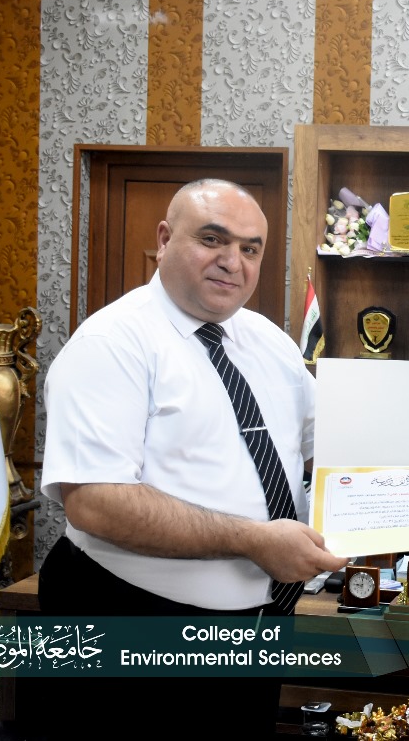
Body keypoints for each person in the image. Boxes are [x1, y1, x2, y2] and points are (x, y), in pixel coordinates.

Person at [37, 179, 349, 734]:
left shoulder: (268, 341)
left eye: (250, 248)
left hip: (255, 628)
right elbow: (95, 502)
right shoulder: (111, 343)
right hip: (130, 622)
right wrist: (253, 540)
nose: (233, 262)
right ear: (164, 239)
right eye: (212, 239)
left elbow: (330, 443)